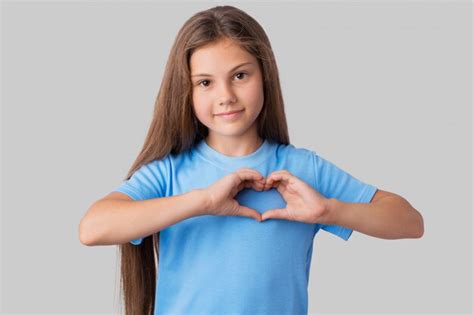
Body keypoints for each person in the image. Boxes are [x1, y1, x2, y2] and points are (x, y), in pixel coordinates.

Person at [79, 5, 424, 315]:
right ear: (187, 91)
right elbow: (93, 228)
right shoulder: (169, 173)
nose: (225, 96)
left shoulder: (303, 171)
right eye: (205, 83)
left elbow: (410, 221)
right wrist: (203, 201)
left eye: (240, 75)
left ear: (265, 76)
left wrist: (330, 211)